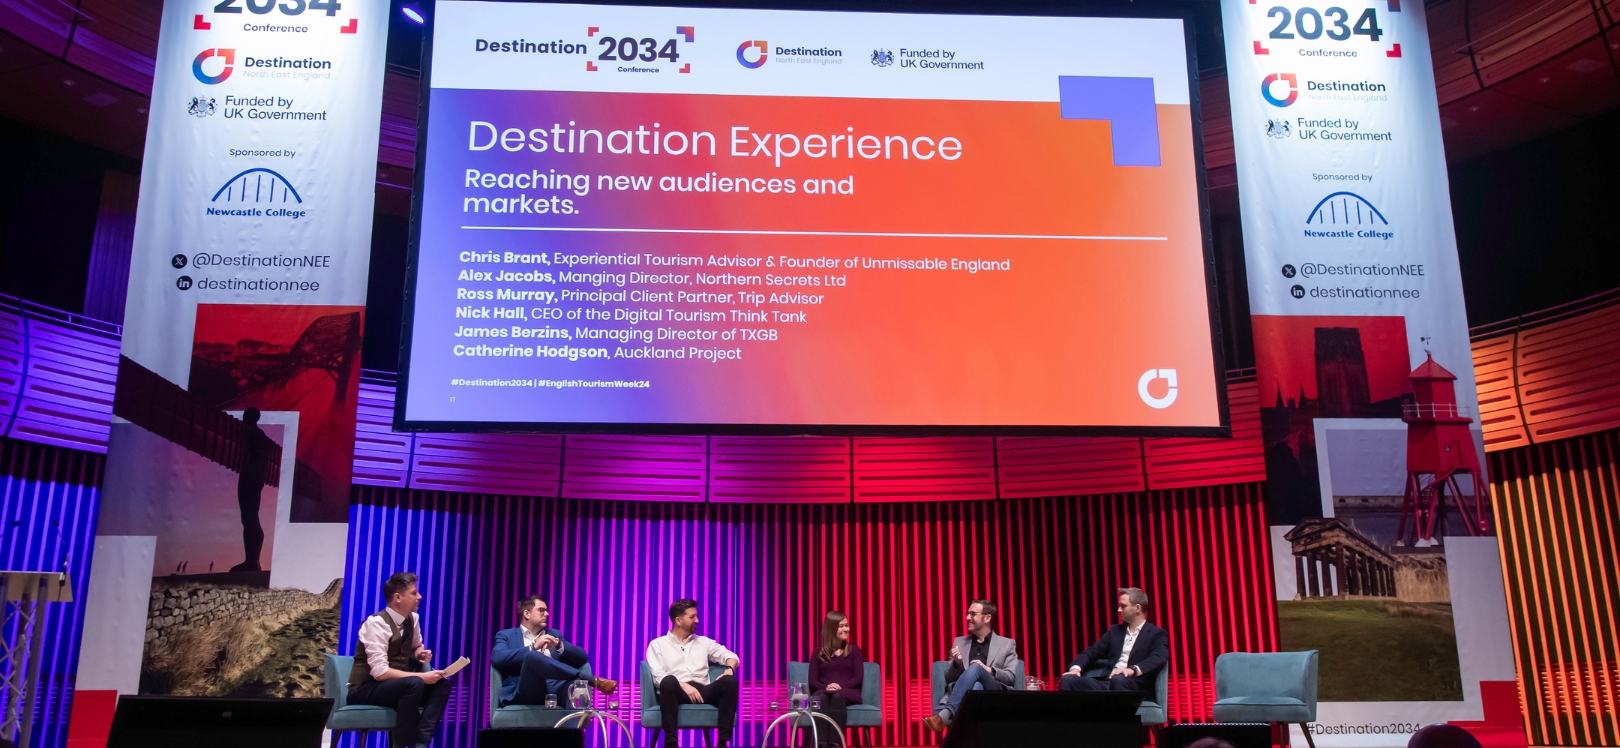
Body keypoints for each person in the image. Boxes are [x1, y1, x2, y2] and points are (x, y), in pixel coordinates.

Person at [347, 572, 450, 748]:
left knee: (442, 685)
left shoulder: (413, 618)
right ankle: (400, 745)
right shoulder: (375, 624)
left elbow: (414, 647)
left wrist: (419, 654)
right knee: (414, 683)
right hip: (366, 688)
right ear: (397, 597)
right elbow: (379, 673)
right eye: (413, 593)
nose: (419, 597)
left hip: (397, 687)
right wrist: (422, 677)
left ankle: (420, 743)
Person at [491, 595, 618, 706]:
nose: (547, 614)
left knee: (575, 688)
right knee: (531, 656)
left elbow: (582, 656)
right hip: (526, 689)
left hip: (555, 687)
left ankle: (572, 733)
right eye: (541, 610)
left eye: (546, 611)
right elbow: (497, 657)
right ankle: (590, 679)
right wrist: (533, 646)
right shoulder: (506, 635)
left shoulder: (554, 634)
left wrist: (558, 645)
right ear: (527, 614)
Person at [646, 599, 741, 748]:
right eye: (692, 617)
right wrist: (683, 685)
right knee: (668, 681)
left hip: (703, 692)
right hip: (676, 693)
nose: (697, 620)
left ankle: (722, 743)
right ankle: (671, 743)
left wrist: (729, 670)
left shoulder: (703, 642)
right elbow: (658, 676)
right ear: (678, 620)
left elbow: (731, 656)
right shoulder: (657, 644)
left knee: (730, 682)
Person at [921, 600, 1018, 733]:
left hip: (994, 692)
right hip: (970, 693)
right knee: (977, 686)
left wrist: (987, 669)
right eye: (968, 614)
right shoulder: (959, 642)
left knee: (976, 667)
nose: (968, 618)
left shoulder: (1007, 644)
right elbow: (949, 678)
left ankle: (944, 715)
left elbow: (1010, 677)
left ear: (987, 618)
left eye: (973, 614)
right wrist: (957, 663)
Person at [1060, 587, 1169, 693]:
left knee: (1118, 679)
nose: (1119, 610)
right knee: (1067, 680)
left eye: (1123, 606)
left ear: (1137, 608)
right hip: (1108, 682)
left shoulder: (1157, 634)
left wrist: (1132, 670)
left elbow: (1159, 656)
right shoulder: (1115, 631)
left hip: (1132, 684)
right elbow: (1092, 652)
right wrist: (1075, 669)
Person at [808, 611, 864, 747]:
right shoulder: (818, 653)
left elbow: (858, 678)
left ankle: (834, 744)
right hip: (824, 692)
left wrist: (839, 686)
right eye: (842, 626)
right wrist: (827, 687)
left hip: (847, 691)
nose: (847, 629)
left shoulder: (854, 651)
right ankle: (820, 744)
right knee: (822, 699)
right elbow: (812, 681)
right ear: (832, 628)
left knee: (837, 697)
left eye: (847, 625)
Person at [229, 407, 268, 573]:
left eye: (246, 414)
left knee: (250, 516)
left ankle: (253, 561)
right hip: (255, 477)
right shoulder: (261, 436)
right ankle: (251, 560)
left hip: (250, 477)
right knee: (249, 517)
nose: (243, 417)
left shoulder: (249, 433)